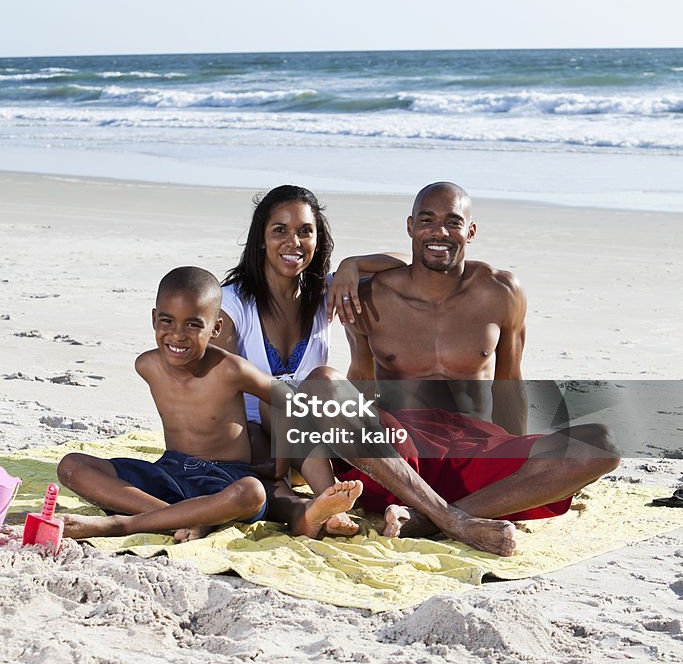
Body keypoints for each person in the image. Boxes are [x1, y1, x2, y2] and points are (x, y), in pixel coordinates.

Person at [316, 181, 621, 550]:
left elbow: (509, 384)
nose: (439, 232)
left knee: (601, 445)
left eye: (453, 221)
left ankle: (429, 522)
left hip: (474, 452)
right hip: (401, 455)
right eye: (427, 220)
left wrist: (518, 458)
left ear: (471, 231)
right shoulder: (367, 293)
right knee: (323, 385)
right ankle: (454, 520)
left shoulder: (502, 292)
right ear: (410, 226)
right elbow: (362, 380)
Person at [56, 267, 362, 541]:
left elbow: (290, 401)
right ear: (153, 319)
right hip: (171, 470)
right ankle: (182, 518)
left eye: (193, 325)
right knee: (72, 466)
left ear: (215, 328)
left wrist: (280, 465)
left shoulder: (230, 369)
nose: (177, 335)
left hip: (224, 479)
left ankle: (124, 524)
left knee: (253, 492)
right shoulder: (146, 365)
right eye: (167, 321)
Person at [214, 184, 407, 534]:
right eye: (279, 231)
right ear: (261, 239)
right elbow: (220, 393)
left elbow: (407, 264)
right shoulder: (232, 304)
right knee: (278, 400)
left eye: (305, 231)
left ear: (318, 239)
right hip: (254, 443)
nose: (294, 242)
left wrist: (354, 264)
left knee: (322, 383)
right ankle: (325, 501)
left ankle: (329, 503)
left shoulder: (324, 294)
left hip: (314, 443)